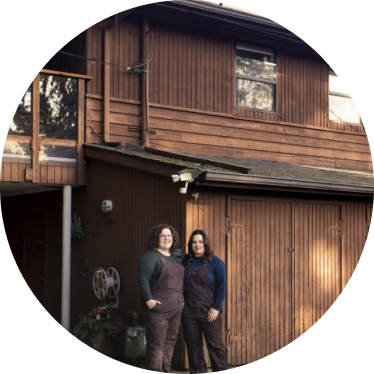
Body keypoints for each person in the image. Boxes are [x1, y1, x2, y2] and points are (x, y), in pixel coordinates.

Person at [138, 223, 185, 373]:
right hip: (158, 312)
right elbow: (142, 278)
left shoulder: (174, 258)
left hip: (176, 310)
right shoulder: (151, 256)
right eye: (163, 235)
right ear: (156, 238)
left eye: (169, 235)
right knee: (156, 345)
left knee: (169, 343)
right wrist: (149, 301)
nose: (167, 238)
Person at [182, 229, 228, 373]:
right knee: (193, 347)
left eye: (200, 242)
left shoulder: (216, 262)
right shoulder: (186, 261)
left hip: (210, 312)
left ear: (205, 243)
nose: (197, 245)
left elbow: (222, 287)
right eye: (194, 242)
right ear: (191, 244)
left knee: (215, 347)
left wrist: (215, 308)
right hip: (189, 312)